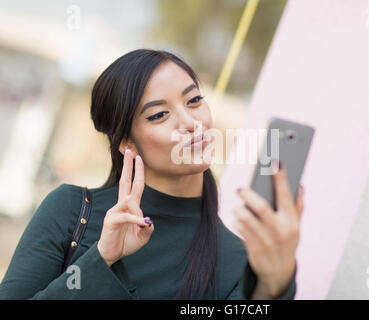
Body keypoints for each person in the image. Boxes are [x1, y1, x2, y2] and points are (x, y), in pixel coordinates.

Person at [0, 49, 304, 300]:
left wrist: (273, 287)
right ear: (127, 142)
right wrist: (101, 259)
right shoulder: (71, 210)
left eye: (194, 100)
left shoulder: (236, 261)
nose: (189, 121)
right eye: (159, 114)